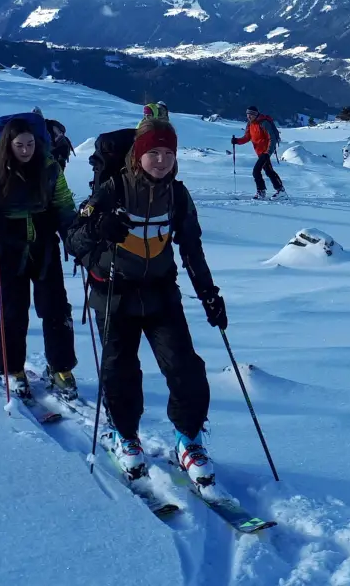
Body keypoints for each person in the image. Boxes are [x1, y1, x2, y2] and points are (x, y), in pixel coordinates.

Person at [68, 112, 227, 489]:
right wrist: (97, 227)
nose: (161, 160)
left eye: (168, 154)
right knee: (120, 371)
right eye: (153, 153)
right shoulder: (112, 190)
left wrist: (209, 295)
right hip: (113, 292)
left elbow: (191, 249)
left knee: (185, 367)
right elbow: (74, 239)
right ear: (138, 156)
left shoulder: (178, 194)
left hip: (160, 292)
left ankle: (189, 441)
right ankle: (124, 436)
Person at [0, 116, 78, 401]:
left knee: (55, 307)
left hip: (44, 244)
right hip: (7, 246)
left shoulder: (50, 169)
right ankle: (12, 368)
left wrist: (75, 236)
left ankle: (61, 367)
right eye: (19, 145)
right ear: (8, 145)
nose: (26, 150)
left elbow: (64, 203)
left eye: (30, 144)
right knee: (14, 309)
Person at [232, 105, 284, 199]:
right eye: (247, 114)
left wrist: (267, 153)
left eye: (251, 115)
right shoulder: (250, 124)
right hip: (260, 152)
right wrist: (237, 141)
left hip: (265, 152)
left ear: (255, 115)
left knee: (256, 171)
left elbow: (272, 138)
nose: (249, 117)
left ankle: (262, 191)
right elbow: (247, 137)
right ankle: (280, 190)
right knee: (269, 171)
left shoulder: (264, 123)